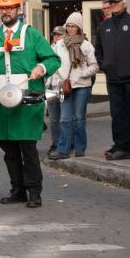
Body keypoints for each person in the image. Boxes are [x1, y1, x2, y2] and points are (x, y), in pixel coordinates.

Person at [0, 0, 59, 208]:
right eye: (3, 8)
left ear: (19, 8)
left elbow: (53, 59)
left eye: (11, 7)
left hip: (26, 100)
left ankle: (34, 192)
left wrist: (41, 68)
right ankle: (18, 189)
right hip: (0, 101)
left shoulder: (32, 34)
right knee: (8, 149)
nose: (6, 12)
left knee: (27, 148)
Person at [94, 0, 130, 161]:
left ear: (124, 2)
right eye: (110, 2)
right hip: (113, 79)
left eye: (116, 2)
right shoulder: (104, 26)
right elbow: (99, 50)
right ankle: (123, 147)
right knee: (118, 115)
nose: (112, 5)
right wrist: (105, 66)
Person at [51, 12, 99, 159]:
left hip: (82, 86)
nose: (71, 29)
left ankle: (80, 148)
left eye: (74, 26)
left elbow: (95, 66)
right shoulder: (59, 45)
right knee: (65, 119)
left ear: (79, 27)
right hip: (64, 85)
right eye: (69, 26)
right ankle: (63, 150)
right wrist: (57, 79)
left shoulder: (86, 45)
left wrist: (82, 74)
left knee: (79, 118)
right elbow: (53, 63)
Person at [45, 26, 66, 159]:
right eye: (54, 35)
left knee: (65, 118)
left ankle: (66, 143)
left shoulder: (66, 48)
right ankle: (55, 143)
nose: (56, 37)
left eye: (59, 35)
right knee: (53, 119)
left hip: (62, 86)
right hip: (50, 87)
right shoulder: (48, 48)